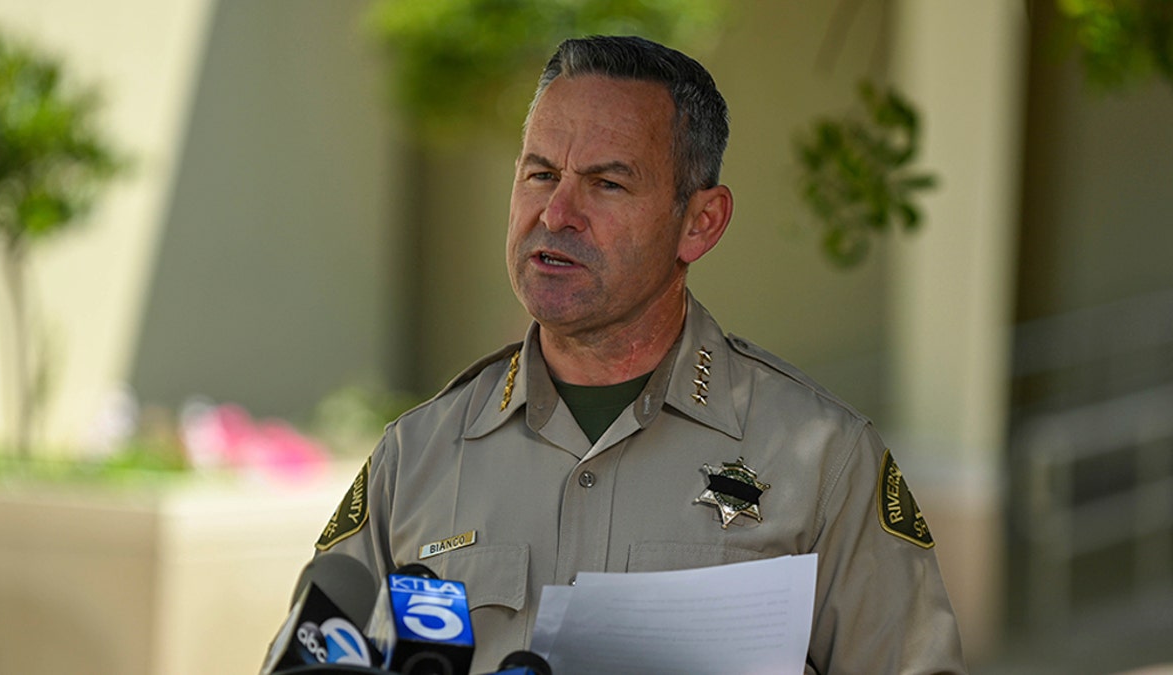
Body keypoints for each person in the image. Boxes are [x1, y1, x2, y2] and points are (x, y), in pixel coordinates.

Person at [309, 35, 966, 674]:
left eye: (607, 184)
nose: (557, 211)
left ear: (699, 221)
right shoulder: (417, 456)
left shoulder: (824, 458)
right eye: (540, 174)